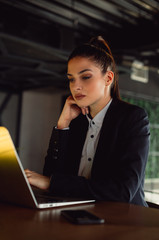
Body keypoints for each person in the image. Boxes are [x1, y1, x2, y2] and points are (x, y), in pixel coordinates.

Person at [25, 36, 150, 206]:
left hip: (123, 219)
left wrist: (52, 183)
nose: (76, 86)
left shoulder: (133, 118)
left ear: (108, 78)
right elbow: (52, 175)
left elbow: (122, 191)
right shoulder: (77, 121)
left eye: (85, 77)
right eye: (71, 79)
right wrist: (63, 125)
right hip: (80, 213)